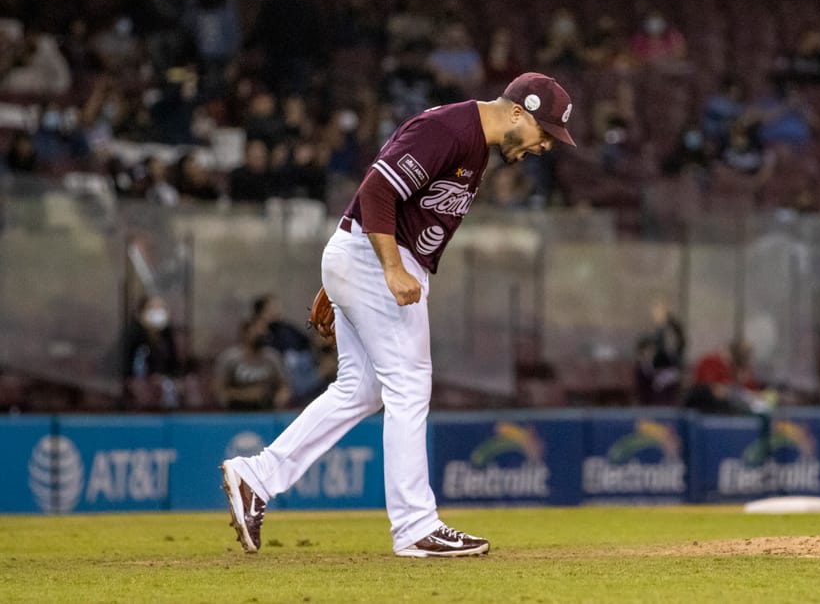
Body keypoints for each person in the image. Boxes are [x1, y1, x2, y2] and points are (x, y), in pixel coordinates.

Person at [220, 72, 576, 558]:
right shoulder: (451, 130)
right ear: (518, 112)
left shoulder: (473, 144)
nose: (546, 146)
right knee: (409, 385)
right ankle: (415, 525)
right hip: (379, 258)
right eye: (546, 133)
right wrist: (385, 269)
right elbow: (376, 192)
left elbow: (385, 198)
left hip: (364, 255)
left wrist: (341, 278)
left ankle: (256, 476)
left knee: (361, 390)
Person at [212, 318, 290, 411]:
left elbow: (283, 386)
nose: (262, 333)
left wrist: (279, 399)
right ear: (245, 333)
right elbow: (219, 390)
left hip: (266, 410)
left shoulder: (272, 357)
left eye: (264, 330)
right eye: (257, 329)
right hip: (236, 412)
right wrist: (245, 395)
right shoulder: (230, 358)